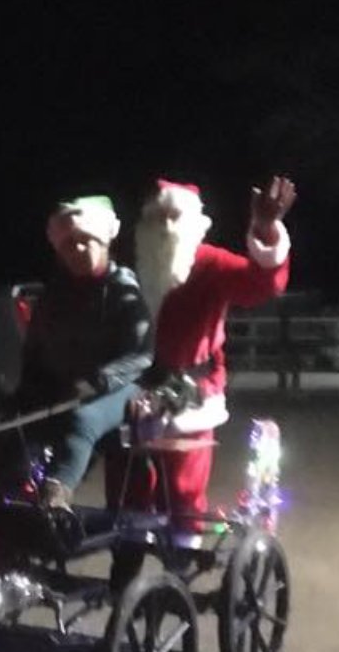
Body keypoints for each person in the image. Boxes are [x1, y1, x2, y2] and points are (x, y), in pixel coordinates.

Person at [118, 174, 297, 548]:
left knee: (183, 494)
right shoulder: (134, 265)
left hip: (192, 394)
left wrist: (266, 229)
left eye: (175, 217)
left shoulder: (210, 264)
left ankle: (182, 560)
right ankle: (129, 566)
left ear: (194, 223)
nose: (166, 226)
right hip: (136, 393)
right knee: (130, 489)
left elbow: (262, 283)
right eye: (158, 218)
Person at [12, 194, 153, 509]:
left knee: (80, 419)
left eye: (85, 241)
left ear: (103, 242)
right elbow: (34, 348)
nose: (76, 250)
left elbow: (140, 354)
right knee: (14, 422)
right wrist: (25, 392)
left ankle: (56, 495)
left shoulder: (123, 290)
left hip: (118, 387)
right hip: (67, 384)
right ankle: (5, 493)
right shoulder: (54, 295)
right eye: (68, 244)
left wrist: (96, 381)